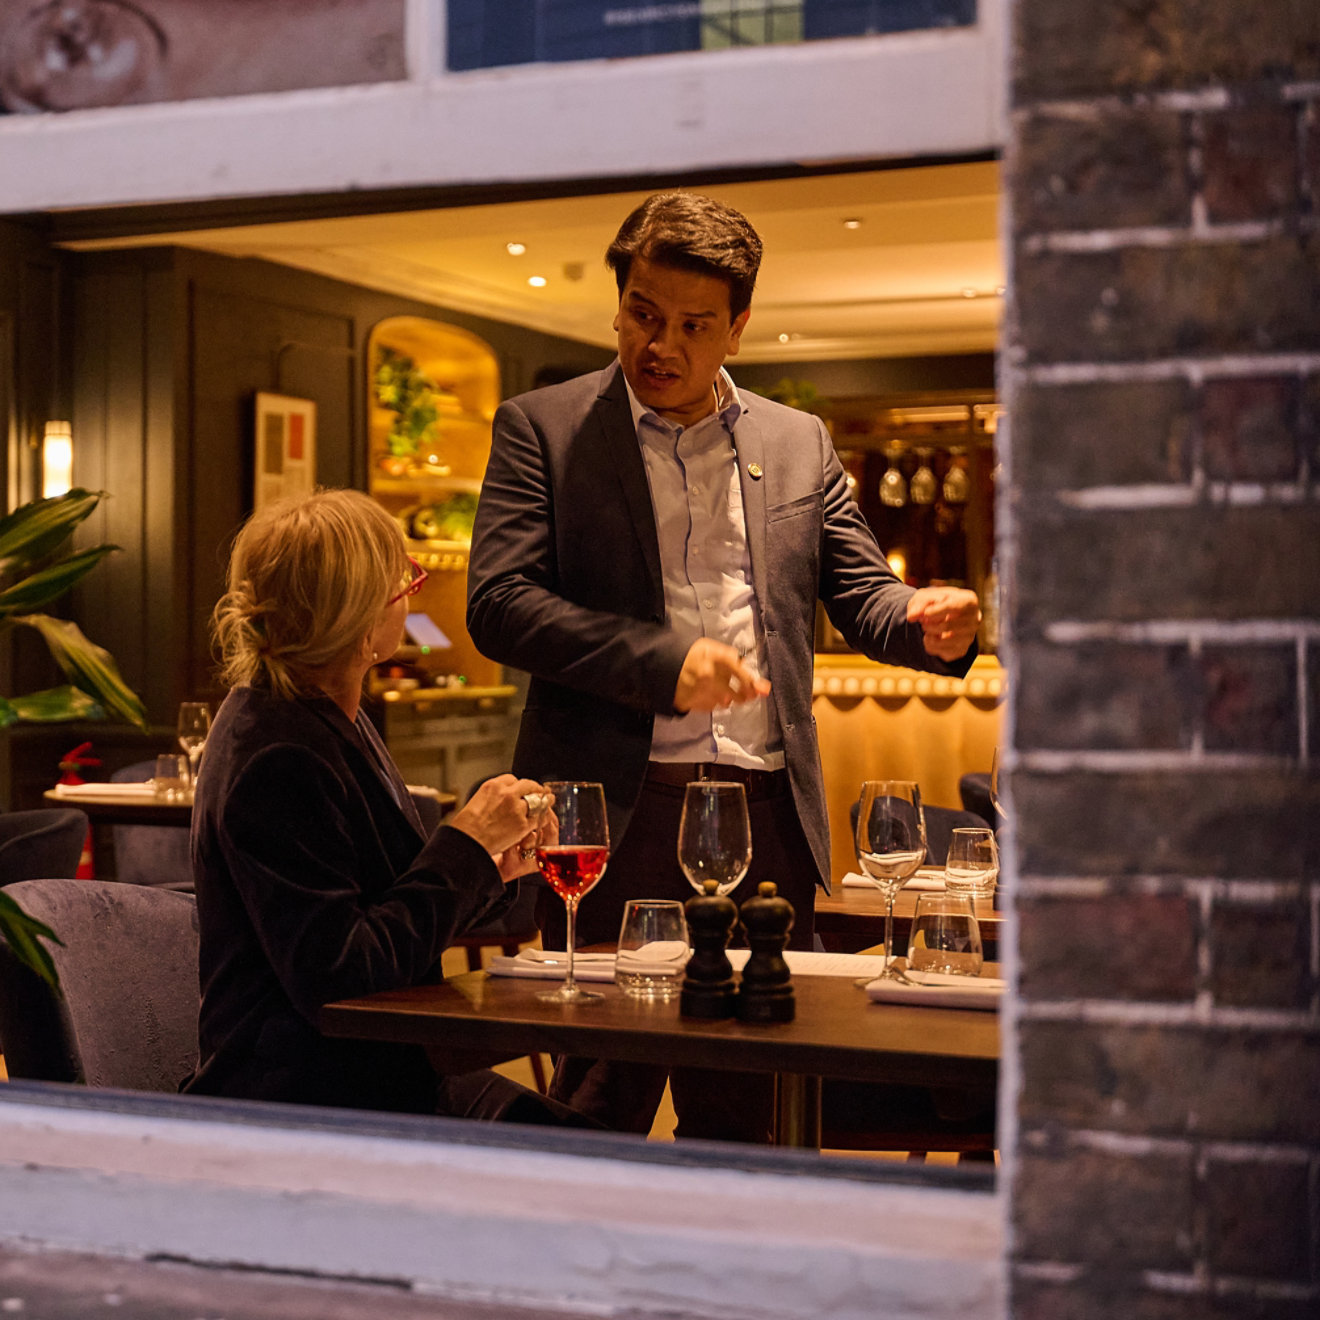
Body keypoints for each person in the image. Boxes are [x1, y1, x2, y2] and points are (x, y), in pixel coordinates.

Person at [466, 191, 981, 1140]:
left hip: (766, 812)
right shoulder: (542, 427)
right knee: (600, 1096)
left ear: (738, 327)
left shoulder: (798, 442)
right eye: (642, 315)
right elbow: (499, 604)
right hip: (615, 814)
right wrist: (662, 663)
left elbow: (862, 596)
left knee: (758, 1096)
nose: (660, 345)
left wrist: (924, 624)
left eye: (694, 325)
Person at [186, 488, 586, 1126]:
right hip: (309, 1102)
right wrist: (467, 848)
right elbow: (343, 977)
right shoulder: (280, 755)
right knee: (592, 1159)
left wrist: (491, 868)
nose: (411, 595)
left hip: (375, 1073)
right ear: (359, 618)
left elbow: (382, 901)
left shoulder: (321, 714)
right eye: (404, 582)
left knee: (590, 1144)